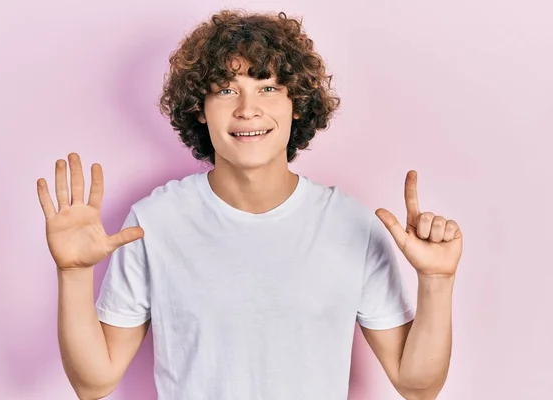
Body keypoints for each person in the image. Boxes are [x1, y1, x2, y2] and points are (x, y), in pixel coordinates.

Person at [36, 9, 463, 400]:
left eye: (269, 87)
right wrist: (72, 273)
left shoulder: (351, 224)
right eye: (225, 89)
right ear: (199, 109)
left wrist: (437, 279)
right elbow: (93, 383)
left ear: (297, 105)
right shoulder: (154, 222)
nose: (247, 109)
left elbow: (417, 385)